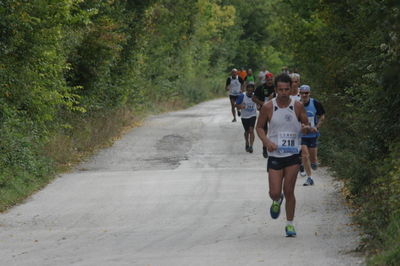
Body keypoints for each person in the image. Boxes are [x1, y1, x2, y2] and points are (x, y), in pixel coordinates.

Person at [256, 73, 311, 237]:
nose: (284, 93)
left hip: (292, 155)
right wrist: (267, 142)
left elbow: (305, 123)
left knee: (289, 190)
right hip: (275, 155)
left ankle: (289, 224)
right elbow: (259, 127)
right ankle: (276, 200)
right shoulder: (268, 107)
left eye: (287, 89)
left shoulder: (297, 105)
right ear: (275, 89)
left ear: (291, 88)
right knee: (274, 192)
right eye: (280, 89)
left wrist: (306, 128)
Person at [299, 85, 326, 186]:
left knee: (313, 160)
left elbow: (322, 115)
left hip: (313, 135)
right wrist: (301, 125)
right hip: (302, 135)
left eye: (306, 93)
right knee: (305, 156)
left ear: (309, 93)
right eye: (302, 93)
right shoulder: (297, 104)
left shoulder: (315, 103)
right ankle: (309, 178)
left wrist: (317, 127)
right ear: (300, 94)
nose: (304, 95)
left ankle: (314, 163)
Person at [253, 72, 275, 158]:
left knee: (274, 129)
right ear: (265, 80)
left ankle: (273, 146)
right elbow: (253, 98)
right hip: (264, 111)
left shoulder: (275, 87)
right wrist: (262, 103)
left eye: (271, 80)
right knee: (264, 130)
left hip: (274, 111)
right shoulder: (260, 88)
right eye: (268, 80)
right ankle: (264, 148)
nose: (270, 81)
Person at [236, 83, 257, 153]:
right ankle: (247, 142)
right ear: (247, 90)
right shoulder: (242, 96)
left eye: (252, 90)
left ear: (253, 90)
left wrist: (259, 106)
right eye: (249, 90)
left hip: (253, 115)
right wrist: (240, 107)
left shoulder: (255, 96)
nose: (250, 92)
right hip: (244, 116)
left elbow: (258, 103)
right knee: (247, 131)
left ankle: (251, 146)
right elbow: (236, 105)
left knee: (251, 130)